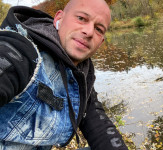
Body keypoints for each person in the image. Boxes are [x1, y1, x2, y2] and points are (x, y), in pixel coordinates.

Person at [0, 0, 128, 149]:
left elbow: (98, 125)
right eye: (81, 18)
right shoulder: (20, 51)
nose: (89, 32)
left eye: (99, 29)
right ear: (58, 19)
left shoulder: (82, 74)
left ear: (100, 42)